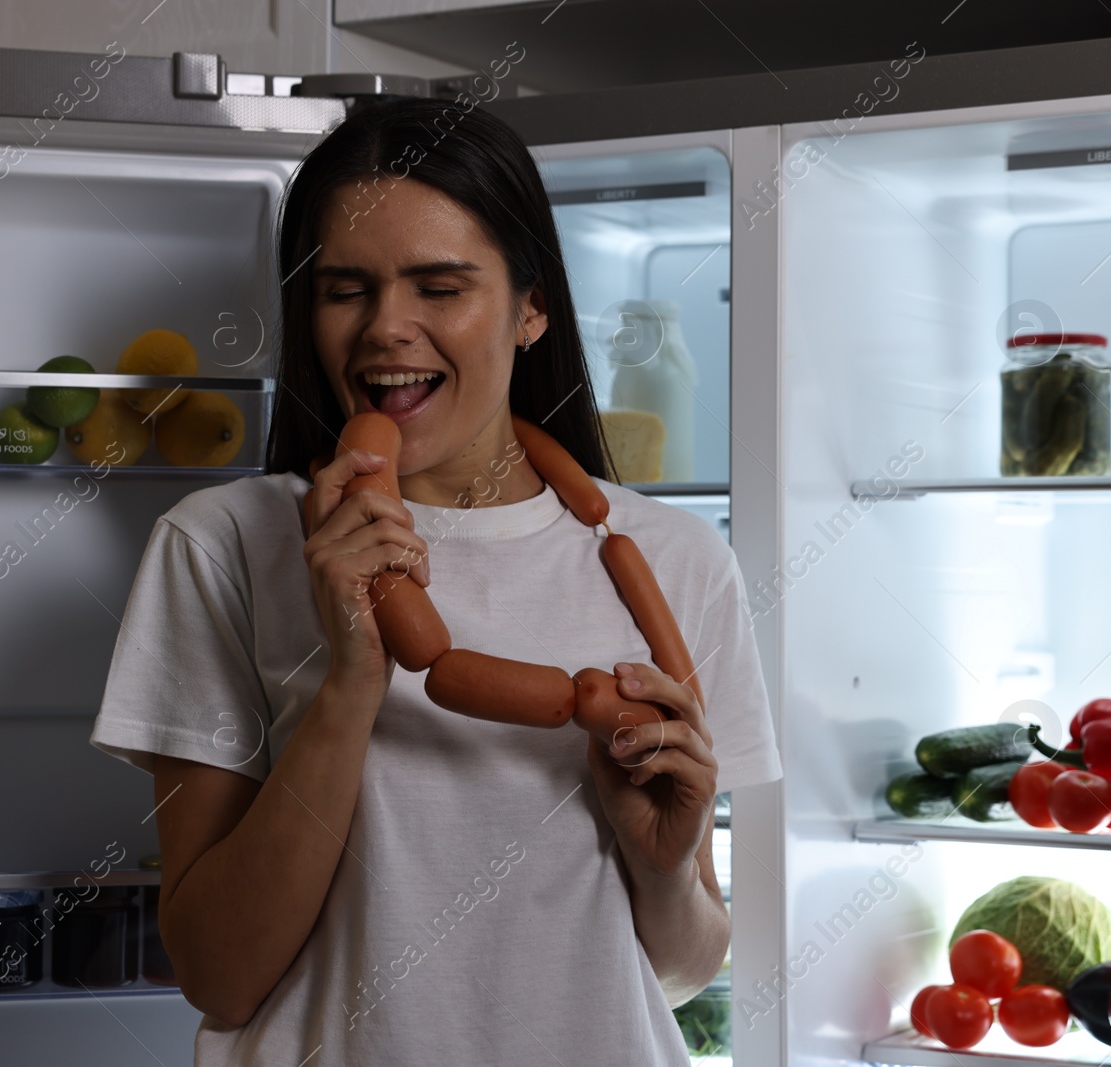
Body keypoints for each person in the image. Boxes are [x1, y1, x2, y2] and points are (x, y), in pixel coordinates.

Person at [89, 95, 782, 1066]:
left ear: (531, 306)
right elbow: (218, 971)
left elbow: (677, 970)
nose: (387, 328)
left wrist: (663, 865)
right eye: (345, 289)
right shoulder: (223, 544)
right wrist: (348, 687)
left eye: (440, 286)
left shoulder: (678, 559)